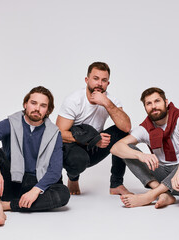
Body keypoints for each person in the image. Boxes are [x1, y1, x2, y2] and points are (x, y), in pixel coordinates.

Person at [0, 86, 70, 227]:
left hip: (36, 183)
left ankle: (7, 205)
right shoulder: (12, 122)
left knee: (63, 194)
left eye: (43, 105)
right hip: (11, 181)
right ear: (25, 104)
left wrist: (36, 190)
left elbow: (55, 170)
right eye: (33, 103)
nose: (37, 108)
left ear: (48, 110)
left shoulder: (54, 133)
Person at [111, 87, 179, 208]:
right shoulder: (145, 128)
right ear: (145, 108)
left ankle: (151, 195)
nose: (153, 106)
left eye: (157, 101)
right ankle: (163, 194)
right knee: (127, 150)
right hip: (162, 176)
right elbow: (116, 148)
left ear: (166, 102)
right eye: (149, 103)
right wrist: (141, 155)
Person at [56, 62, 132, 195]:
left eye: (104, 80)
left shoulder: (110, 100)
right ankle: (73, 177)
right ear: (87, 80)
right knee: (78, 160)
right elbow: (59, 134)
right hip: (73, 147)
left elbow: (126, 127)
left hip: (96, 145)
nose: (99, 83)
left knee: (123, 133)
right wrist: (93, 139)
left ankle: (116, 184)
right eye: (95, 79)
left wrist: (106, 103)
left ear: (108, 83)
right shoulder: (74, 100)